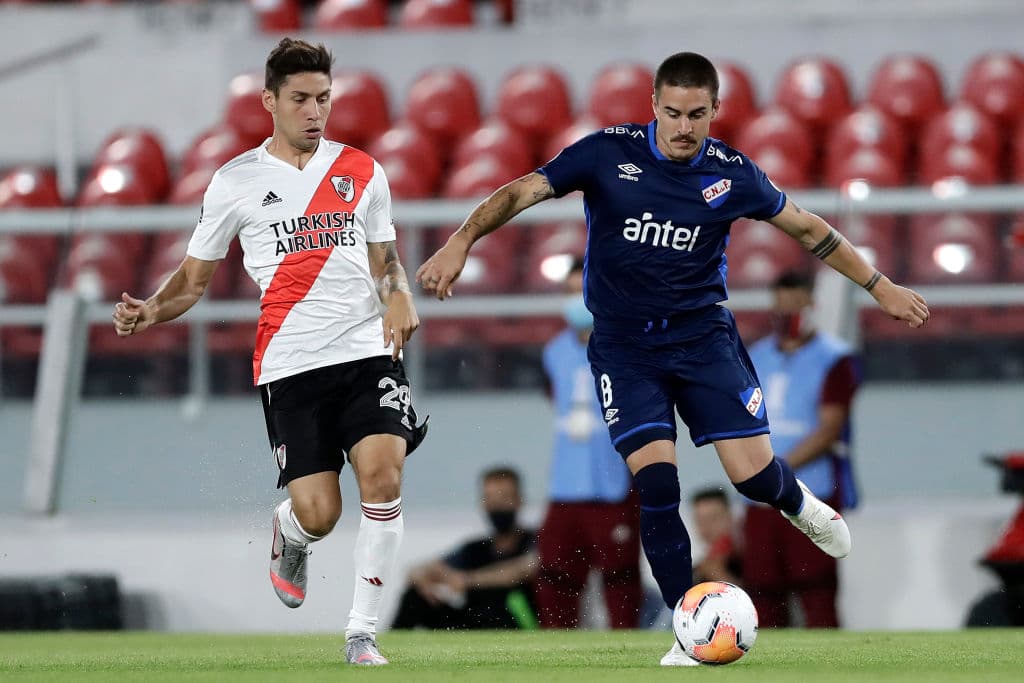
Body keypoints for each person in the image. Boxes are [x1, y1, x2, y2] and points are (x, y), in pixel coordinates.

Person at [416, 51, 930, 666]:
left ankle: (798, 504)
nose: (684, 127)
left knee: (753, 478)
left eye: (696, 114)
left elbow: (807, 228)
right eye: (672, 113)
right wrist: (460, 240)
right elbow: (523, 189)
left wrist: (879, 287)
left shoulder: (733, 174)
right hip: (625, 347)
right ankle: (691, 627)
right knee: (657, 482)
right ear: (653, 106)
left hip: (702, 339)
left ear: (716, 110)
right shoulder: (607, 152)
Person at [111, 38, 427, 666]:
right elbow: (193, 280)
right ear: (270, 101)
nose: (316, 111)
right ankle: (292, 529)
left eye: (325, 99)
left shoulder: (362, 171)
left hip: (367, 352)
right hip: (290, 364)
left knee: (384, 474)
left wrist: (398, 294)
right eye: (302, 99)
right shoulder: (236, 182)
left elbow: (385, 261)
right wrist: (150, 309)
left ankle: (361, 634)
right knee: (322, 511)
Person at [743, 270, 862, 628]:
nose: (787, 312)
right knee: (763, 590)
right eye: (781, 304)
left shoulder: (834, 358)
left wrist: (773, 470)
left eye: (795, 304)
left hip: (813, 490)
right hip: (760, 497)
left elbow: (829, 428)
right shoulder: (755, 354)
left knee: (816, 588)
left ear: (812, 305)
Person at [535, 258, 641, 629]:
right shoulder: (553, 352)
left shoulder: (628, 347)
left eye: (580, 292)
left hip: (613, 484)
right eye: (567, 293)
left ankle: (628, 657)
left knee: (621, 579)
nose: (574, 301)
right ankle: (556, 656)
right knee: (554, 577)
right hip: (565, 485)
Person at [391, 467, 537, 630]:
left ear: (519, 500)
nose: (496, 506)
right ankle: (386, 650)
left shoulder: (535, 541)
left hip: (513, 624)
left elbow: (524, 570)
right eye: (491, 500)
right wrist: (422, 577)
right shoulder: (474, 548)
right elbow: (417, 570)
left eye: (504, 498)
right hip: (473, 624)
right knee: (414, 597)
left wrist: (467, 580)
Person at [691, 487, 743, 585]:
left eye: (713, 518)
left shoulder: (750, 560)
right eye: (700, 520)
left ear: (730, 517)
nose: (706, 526)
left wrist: (721, 575)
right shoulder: (697, 570)